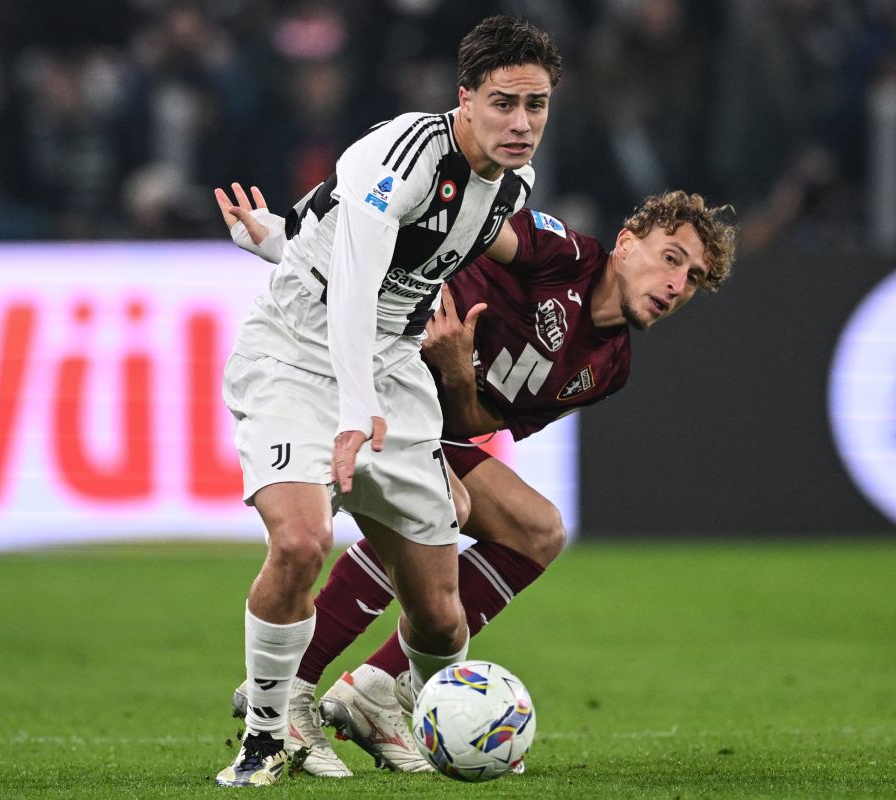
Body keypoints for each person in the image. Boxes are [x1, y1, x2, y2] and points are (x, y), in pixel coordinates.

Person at [217, 183, 737, 776]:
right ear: (625, 243)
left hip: (422, 416)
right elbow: (465, 219)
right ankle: (291, 689)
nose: (677, 283)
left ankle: (378, 688)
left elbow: (473, 423)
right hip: (364, 371)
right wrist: (296, 240)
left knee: (537, 531)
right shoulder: (561, 253)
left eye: (693, 278)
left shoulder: (607, 366)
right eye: (671, 257)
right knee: (450, 505)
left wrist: (459, 372)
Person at [214, 16, 563, 788]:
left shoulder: (513, 186)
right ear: (464, 98)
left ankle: (402, 709)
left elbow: (357, 241)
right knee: (301, 541)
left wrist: (274, 237)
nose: (521, 122)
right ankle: (266, 736)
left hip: (394, 371)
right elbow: (352, 286)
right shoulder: (401, 154)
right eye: (504, 103)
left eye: (536, 105)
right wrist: (352, 414)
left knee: (439, 614)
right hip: (297, 353)